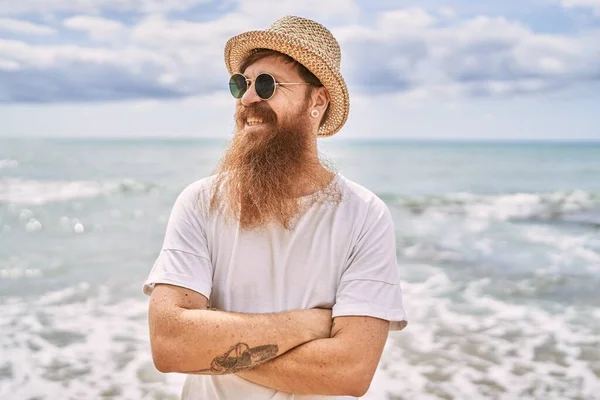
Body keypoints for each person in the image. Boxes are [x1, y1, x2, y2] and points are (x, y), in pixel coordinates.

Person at [143, 15, 408, 400]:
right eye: (241, 84)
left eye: (266, 84)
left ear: (317, 100)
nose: (247, 99)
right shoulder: (201, 201)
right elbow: (170, 345)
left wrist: (210, 346)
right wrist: (306, 326)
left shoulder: (364, 215)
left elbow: (350, 371)